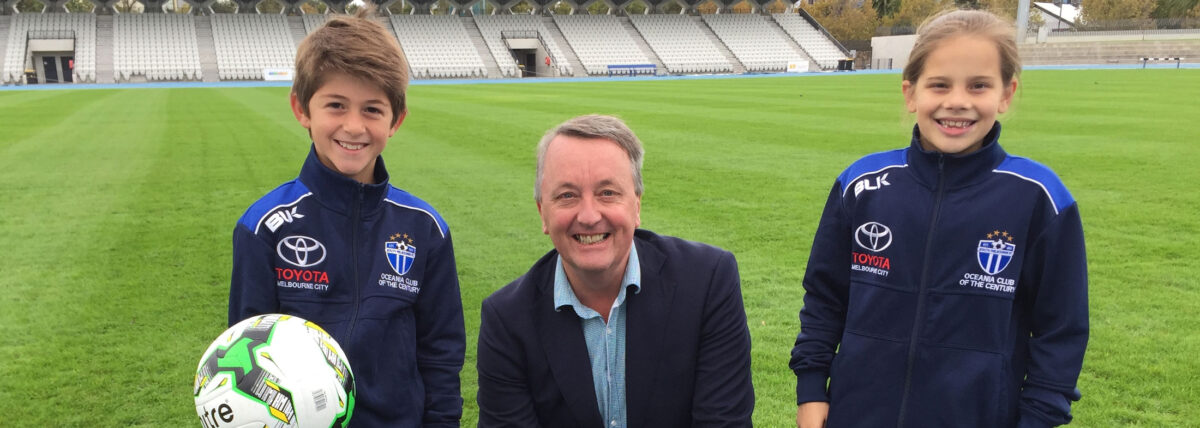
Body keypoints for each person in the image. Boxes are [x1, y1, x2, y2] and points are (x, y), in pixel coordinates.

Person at [789, 9, 1089, 428]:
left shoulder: (1039, 197)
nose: (958, 102)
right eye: (940, 85)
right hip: (856, 414)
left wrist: (1038, 418)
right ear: (911, 94)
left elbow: (1061, 332)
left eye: (979, 85)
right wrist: (811, 390)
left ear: (1006, 93)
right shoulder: (861, 184)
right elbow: (824, 297)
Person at [228, 8, 465, 427]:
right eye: (336, 105)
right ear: (302, 110)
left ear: (396, 120)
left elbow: (441, 351)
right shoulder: (263, 226)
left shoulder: (424, 228)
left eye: (372, 109)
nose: (353, 126)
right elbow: (245, 355)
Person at [476, 114, 755, 427]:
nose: (589, 215)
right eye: (567, 195)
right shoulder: (507, 319)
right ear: (543, 212)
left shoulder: (707, 282)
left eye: (607, 192)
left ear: (636, 205)